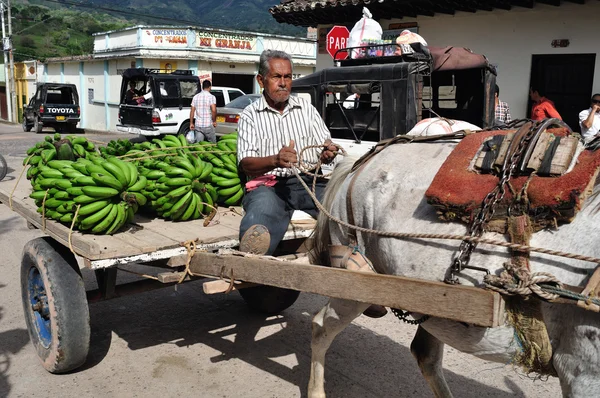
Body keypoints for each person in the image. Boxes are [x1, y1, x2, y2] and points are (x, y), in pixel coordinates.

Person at [238, 49, 384, 318]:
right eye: (276, 77)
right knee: (262, 214)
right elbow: (246, 164)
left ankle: (364, 284)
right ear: (261, 81)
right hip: (269, 185)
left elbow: (325, 143)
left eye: (288, 77)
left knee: (342, 209)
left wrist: (327, 151)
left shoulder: (305, 107)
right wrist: (275, 159)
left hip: (307, 179)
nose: (283, 82)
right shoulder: (250, 115)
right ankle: (252, 266)